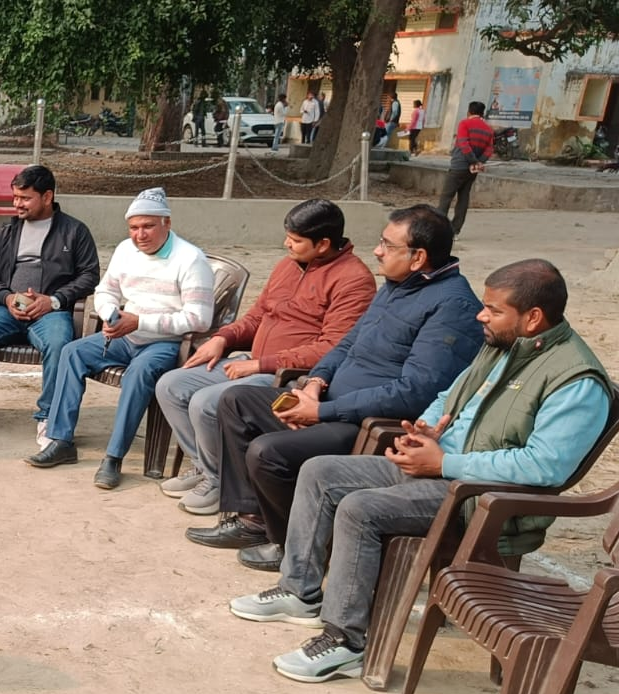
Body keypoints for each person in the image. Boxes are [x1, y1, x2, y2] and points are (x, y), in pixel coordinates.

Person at [227, 260, 612, 683]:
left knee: (359, 509)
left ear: (533, 317)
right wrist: (426, 429)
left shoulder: (576, 380)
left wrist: (444, 463)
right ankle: (300, 590)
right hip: (441, 467)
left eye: (493, 309)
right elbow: (450, 394)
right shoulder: (504, 344)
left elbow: (544, 466)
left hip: (479, 495)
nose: (481, 316)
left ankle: (345, 642)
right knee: (320, 472)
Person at [184, 205, 484, 570]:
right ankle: (254, 521)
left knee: (268, 453)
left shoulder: (452, 306)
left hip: (365, 423)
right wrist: (315, 382)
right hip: (329, 401)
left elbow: (415, 392)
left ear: (418, 257)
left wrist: (321, 411)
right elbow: (345, 344)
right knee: (237, 401)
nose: (377, 251)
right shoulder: (397, 287)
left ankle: (292, 544)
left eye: (387, 245)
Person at [154, 199, 375, 516]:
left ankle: (219, 482)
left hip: (288, 375)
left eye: (296, 240)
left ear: (324, 244)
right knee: (171, 385)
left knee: (205, 402)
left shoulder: (354, 280)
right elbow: (257, 316)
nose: (287, 244)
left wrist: (260, 364)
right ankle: (207, 467)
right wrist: (223, 338)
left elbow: (332, 347)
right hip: (250, 360)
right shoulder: (288, 265)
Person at [24, 187, 214, 489]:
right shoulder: (126, 250)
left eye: (148, 226)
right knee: (72, 352)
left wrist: (140, 321)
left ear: (166, 223)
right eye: (134, 227)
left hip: (164, 342)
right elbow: (105, 290)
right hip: (124, 335)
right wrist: (110, 313)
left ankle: (113, 457)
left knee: (139, 373)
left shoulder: (190, 259)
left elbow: (200, 319)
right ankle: (60, 440)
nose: (140, 234)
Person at [0, 164, 100, 444]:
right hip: (7, 309)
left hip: (51, 312)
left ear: (47, 197)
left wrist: (54, 300)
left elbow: (90, 275)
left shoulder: (74, 231)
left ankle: (48, 419)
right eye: (15, 197)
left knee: (59, 345)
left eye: (25, 198)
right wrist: (6, 296)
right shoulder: (6, 232)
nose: (17, 204)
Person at [436, 101, 495, 237]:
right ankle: (455, 230)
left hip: (459, 166)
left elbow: (463, 143)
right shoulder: (488, 129)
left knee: (446, 197)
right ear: (482, 113)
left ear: (469, 112)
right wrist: (479, 162)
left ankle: (439, 229)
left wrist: (473, 160)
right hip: (472, 170)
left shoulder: (464, 123)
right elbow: (489, 149)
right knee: (463, 198)